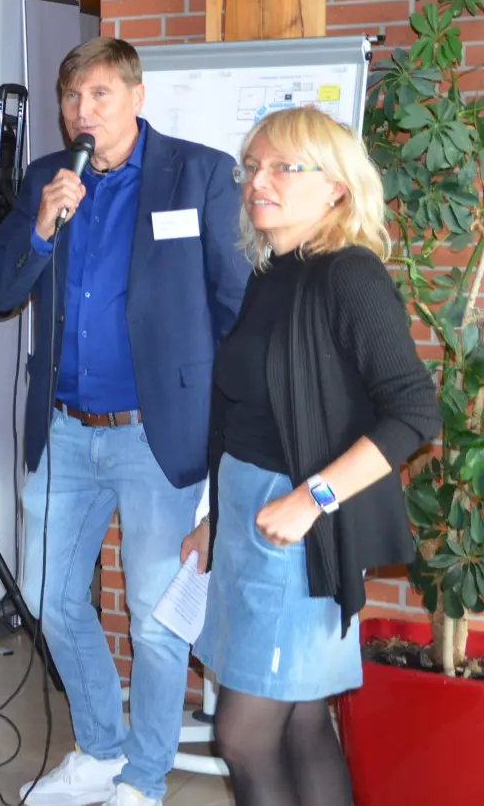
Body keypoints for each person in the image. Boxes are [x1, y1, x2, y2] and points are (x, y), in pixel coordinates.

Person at [0, 37, 250, 806]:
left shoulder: (197, 176)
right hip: (63, 428)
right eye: (72, 97)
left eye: (99, 94)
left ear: (135, 96)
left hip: (156, 434)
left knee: (156, 621)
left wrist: (230, 441)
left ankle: (144, 778)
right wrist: (39, 226)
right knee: (49, 595)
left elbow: (236, 314)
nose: (82, 111)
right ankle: (99, 746)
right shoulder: (46, 180)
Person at [180, 107, 440, 806]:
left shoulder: (347, 275)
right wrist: (214, 520)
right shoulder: (272, 272)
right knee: (297, 724)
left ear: (336, 188)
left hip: (300, 534)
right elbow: (241, 415)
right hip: (247, 519)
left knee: (242, 734)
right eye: (253, 166)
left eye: (283, 167)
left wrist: (314, 497)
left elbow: (416, 410)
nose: (259, 180)